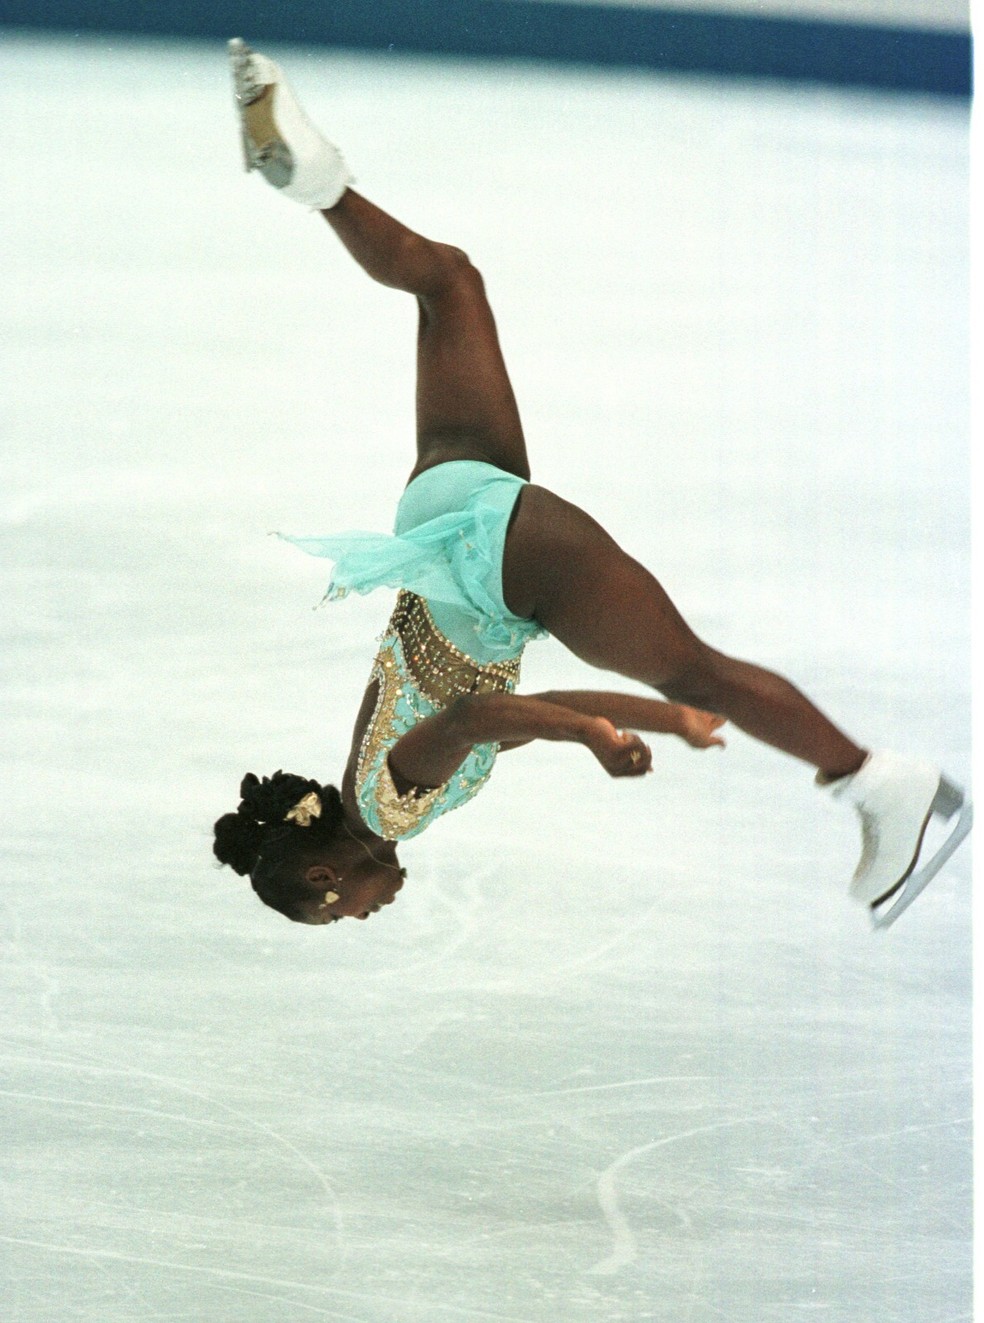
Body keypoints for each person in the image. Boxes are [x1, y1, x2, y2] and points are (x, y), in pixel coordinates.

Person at [213, 40, 971, 930]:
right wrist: (657, 722)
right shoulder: (368, 777)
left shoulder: (387, 811)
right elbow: (525, 712)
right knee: (448, 284)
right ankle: (319, 186)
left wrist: (594, 736)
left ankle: (877, 783)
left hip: (497, 569)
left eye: (339, 914)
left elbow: (481, 714)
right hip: (440, 512)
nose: (361, 916)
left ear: (323, 878)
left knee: (700, 670)